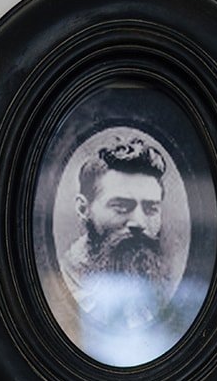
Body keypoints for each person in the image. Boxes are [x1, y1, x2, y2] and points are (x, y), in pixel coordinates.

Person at [58, 137, 174, 336]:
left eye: (151, 209)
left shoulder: (164, 290)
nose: (138, 222)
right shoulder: (60, 287)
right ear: (83, 208)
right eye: (121, 207)